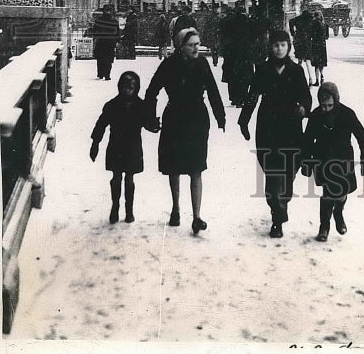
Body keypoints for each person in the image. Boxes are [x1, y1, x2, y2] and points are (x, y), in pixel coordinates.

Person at [144, 27, 226, 234]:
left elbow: (213, 90)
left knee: (196, 168)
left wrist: (220, 116)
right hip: (175, 120)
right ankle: (176, 209)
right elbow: (152, 91)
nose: (196, 48)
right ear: (181, 47)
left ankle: (197, 216)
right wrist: (150, 118)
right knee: (174, 167)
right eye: (191, 45)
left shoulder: (202, 64)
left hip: (197, 119)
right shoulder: (169, 65)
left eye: (198, 44)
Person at [238, 30, 311, 238]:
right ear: (271, 47)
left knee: (289, 172)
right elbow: (252, 96)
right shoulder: (262, 69)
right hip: (268, 127)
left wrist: (304, 109)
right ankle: (276, 217)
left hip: (290, 128)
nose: (279, 49)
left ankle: (283, 201)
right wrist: (244, 121)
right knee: (271, 174)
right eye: (276, 45)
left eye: (283, 45)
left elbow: (306, 96)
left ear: (289, 47)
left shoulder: (296, 71)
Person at [301, 81, 364, 242]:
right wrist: (306, 163)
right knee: (327, 194)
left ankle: (338, 213)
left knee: (340, 194)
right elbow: (307, 140)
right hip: (323, 158)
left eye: (330, 105)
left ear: (336, 100)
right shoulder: (316, 115)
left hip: (343, 159)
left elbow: (362, 137)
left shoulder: (347, 114)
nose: (326, 108)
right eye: (323, 105)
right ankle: (324, 227)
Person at [90, 71, 158, 223]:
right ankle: (115, 206)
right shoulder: (111, 105)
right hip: (116, 146)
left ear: (137, 88)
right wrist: (95, 143)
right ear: (120, 87)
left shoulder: (141, 106)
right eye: (126, 86)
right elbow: (101, 124)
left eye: (132, 87)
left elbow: (147, 123)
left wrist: (154, 125)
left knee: (129, 178)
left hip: (133, 147)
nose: (128, 90)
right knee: (116, 177)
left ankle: (129, 209)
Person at [219, 1, 253, 106]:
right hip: (245, 54)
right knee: (244, 77)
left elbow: (222, 36)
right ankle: (242, 97)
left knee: (232, 77)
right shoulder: (249, 22)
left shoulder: (227, 21)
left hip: (231, 54)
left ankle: (233, 97)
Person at [88, 5, 120, 80]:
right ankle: (107, 74)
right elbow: (117, 33)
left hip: (101, 42)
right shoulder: (114, 21)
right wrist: (117, 41)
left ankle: (101, 73)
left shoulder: (99, 20)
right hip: (110, 43)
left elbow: (95, 31)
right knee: (109, 60)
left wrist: (96, 37)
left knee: (100, 59)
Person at [289, 7, 315, 86]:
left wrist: (293, 32)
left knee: (299, 60)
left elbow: (291, 22)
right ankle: (310, 78)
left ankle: (298, 78)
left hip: (299, 41)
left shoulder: (298, 19)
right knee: (308, 61)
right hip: (307, 41)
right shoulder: (310, 21)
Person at [308, 10, 328, 87]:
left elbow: (311, 34)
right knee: (321, 62)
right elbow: (326, 36)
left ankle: (317, 80)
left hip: (315, 44)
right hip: (322, 45)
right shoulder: (324, 24)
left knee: (316, 63)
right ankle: (322, 76)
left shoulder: (314, 23)